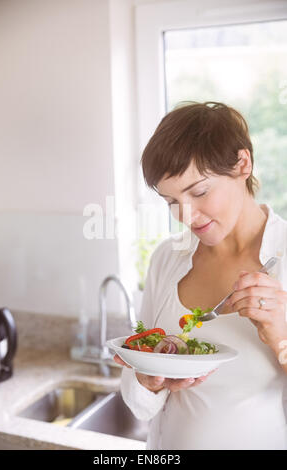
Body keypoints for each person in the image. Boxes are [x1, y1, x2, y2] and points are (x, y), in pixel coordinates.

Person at [114, 101, 287, 450]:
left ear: (243, 164)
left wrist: (283, 338)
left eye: (199, 191)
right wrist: (147, 379)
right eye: (170, 201)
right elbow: (138, 403)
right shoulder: (167, 258)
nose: (186, 215)